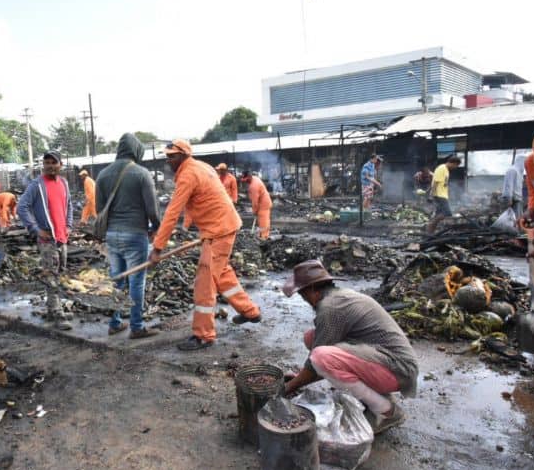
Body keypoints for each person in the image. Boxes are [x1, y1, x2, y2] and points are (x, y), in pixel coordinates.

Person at [282, 260, 418, 434]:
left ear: (313, 289)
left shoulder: (331, 308)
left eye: (303, 294)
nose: (304, 299)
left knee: (320, 357)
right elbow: (322, 358)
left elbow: (319, 362)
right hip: (385, 361)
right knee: (312, 338)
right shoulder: (339, 297)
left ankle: (387, 412)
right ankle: (378, 395)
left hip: (399, 370)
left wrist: (289, 388)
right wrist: (300, 378)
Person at [149, 139, 261, 351]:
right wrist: (189, 226)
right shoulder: (201, 167)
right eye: (167, 156)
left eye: (172, 156)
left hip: (219, 231)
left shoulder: (189, 174)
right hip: (222, 226)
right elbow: (197, 203)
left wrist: (157, 248)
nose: (169, 160)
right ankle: (250, 312)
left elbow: (172, 212)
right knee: (222, 273)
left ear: (184, 155)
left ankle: (204, 335)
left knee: (205, 281)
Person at [96, 133, 161, 339]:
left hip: (112, 235)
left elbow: (99, 209)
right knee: (136, 281)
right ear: (137, 150)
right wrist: (156, 228)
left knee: (117, 280)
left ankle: (115, 323)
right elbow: (152, 210)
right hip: (135, 234)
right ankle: (137, 326)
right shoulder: (141, 173)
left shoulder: (103, 174)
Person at [17, 150, 74, 331]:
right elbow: (22, 207)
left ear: (60, 165)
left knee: (59, 272)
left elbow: (69, 205)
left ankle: (51, 310)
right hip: (47, 238)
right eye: (47, 162)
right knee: (51, 275)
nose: (50, 165)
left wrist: (69, 225)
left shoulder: (63, 183)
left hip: (61, 237)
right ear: (43, 165)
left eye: (53, 162)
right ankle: (57, 313)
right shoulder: (37, 185)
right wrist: (35, 229)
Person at [426, 156, 462, 235]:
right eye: (456, 165)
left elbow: (443, 184)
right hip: (439, 195)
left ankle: (430, 232)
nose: (456, 167)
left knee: (439, 213)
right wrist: (431, 195)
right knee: (447, 213)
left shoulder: (446, 170)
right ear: (453, 163)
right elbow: (435, 182)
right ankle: (430, 226)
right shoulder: (441, 168)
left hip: (442, 195)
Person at [241, 171, 273, 239]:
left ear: (249, 177)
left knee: (264, 222)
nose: (245, 182)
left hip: (263, 204)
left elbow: (255, 202)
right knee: (264, 221)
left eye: (246, 180)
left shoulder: (253, 186)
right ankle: (262, 235)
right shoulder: (255, 178)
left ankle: (264, 238)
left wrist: (254, 211)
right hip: (264, 202)